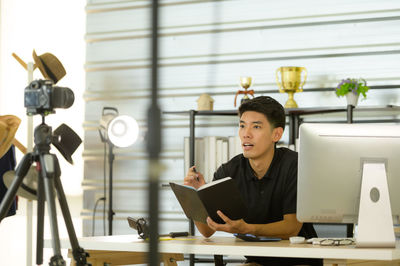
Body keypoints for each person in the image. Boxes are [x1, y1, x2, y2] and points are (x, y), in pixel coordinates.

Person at [184, 96, 321, 266]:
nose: (246, 134)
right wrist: (196, 196)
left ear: (276, 134)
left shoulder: (295, 165)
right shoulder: (228, 171)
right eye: (242, 126)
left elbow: (291, 227)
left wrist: (247, 229)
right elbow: (207, 230)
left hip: (299, 262)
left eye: (256, 127)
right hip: (257, 262)